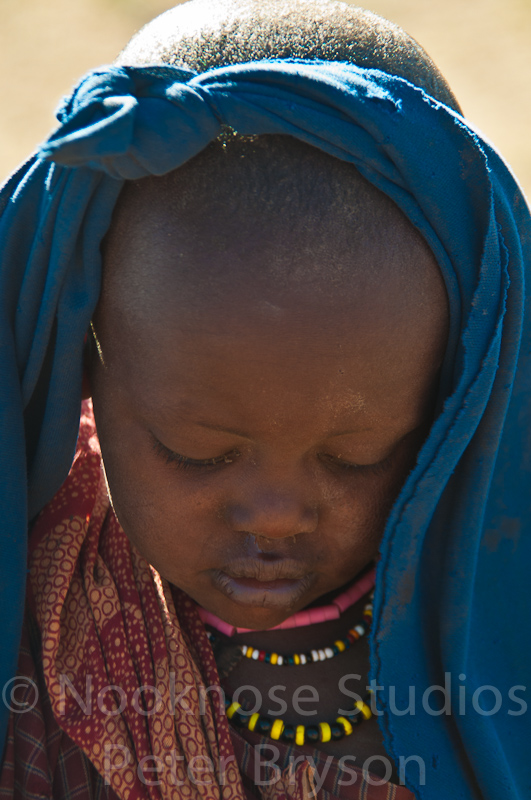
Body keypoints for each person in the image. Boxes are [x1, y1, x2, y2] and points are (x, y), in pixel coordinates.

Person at [0, 1, 529, 798]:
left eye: (357, 455)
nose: (276, 515)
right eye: (197, 451)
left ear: (459, 396)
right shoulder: (42, 616)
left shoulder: (504, 621)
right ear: (88, 366)